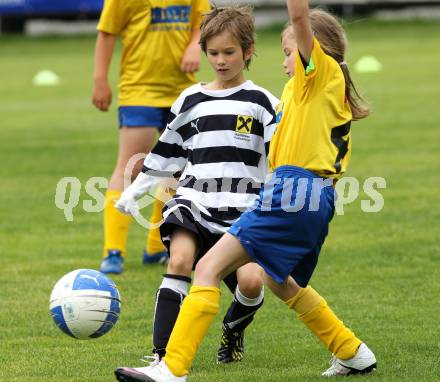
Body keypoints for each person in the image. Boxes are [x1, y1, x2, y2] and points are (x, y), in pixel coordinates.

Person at [118, 0, 379, 381]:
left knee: (206, 267)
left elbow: (300, 18)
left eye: (289, 52)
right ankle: (352, 351)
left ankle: (171, 369)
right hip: (315, 196)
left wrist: (298, 17)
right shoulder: (307, 92)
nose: (285, 61)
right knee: (279, 281)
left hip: (292, 190)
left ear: (313, 52)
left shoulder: (316, 76)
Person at [113, 5, 280, 380]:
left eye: (229, 52)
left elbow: (281, 156)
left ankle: (233, 331)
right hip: (194, 200)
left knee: (252, 283)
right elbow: (166, 154)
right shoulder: (190, 100)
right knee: (178, 262)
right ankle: (162, 358)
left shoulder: (263, 103)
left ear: (248, 50)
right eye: (214, 53)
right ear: (204, 52)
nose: (220, 61)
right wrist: (135, 190)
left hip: (244, 210)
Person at [92, 0, 210, 274]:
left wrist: (195, 45)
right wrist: (100, 79)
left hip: (181, 91)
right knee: (132, 166)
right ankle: (114, 251)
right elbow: (107, 33)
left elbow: (201, 23)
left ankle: (156, 247)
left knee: (179, 170)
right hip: (139, 90)